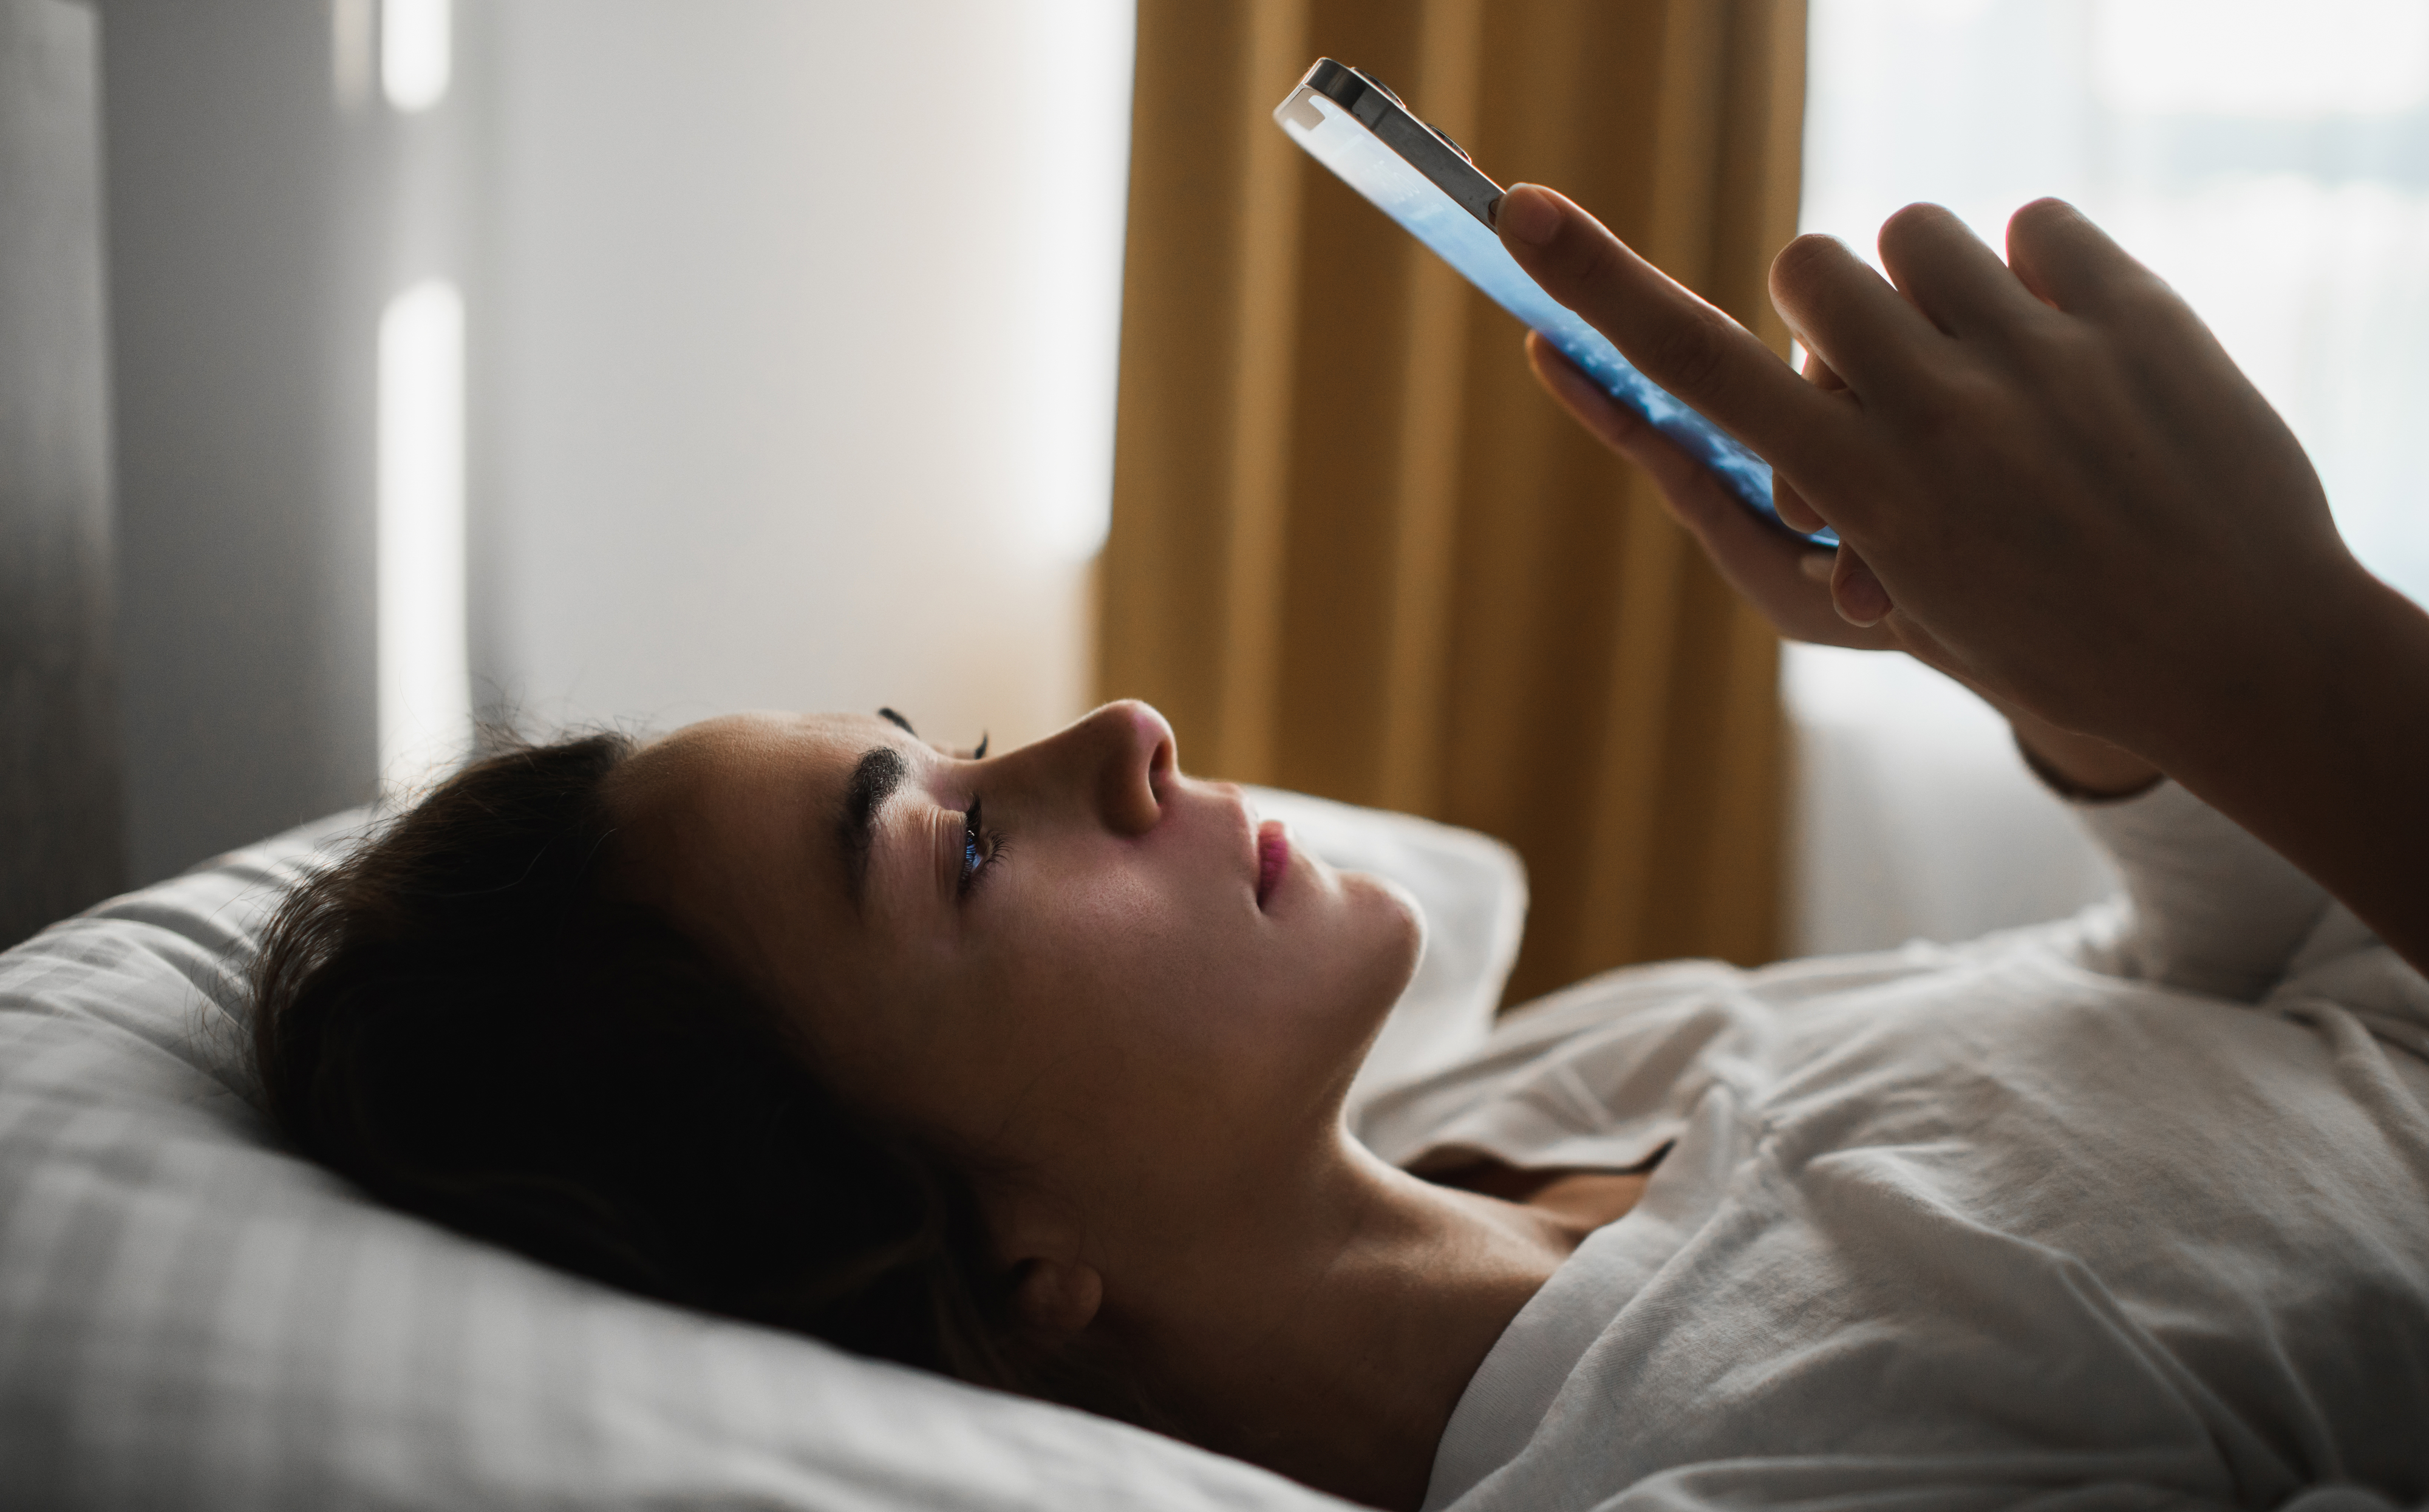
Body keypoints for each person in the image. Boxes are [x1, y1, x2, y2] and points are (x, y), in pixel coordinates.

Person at [250, 191, 2429, 1512]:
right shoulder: (1766, 1459)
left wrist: (2065, 675)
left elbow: (2220, 1001)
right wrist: (2285, 654)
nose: (1123, 730)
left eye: (974, 751)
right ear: (1008, 1268)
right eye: (963, 857)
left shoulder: (1561, 1092)